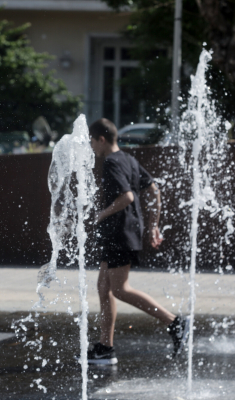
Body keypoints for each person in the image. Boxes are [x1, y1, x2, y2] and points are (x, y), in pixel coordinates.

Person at [87, 118, 189, 365]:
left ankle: (175, 323)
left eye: (91, 141)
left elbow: (127, 197)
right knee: (103, 286)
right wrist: (153, 224)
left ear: (101, 139)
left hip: (120, 233)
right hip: (121, 233)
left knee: (120, 289)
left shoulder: (111, 162)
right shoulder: (129, 159)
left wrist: (100, 214)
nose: (91, 146)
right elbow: (154, 190)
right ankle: (105, 347)